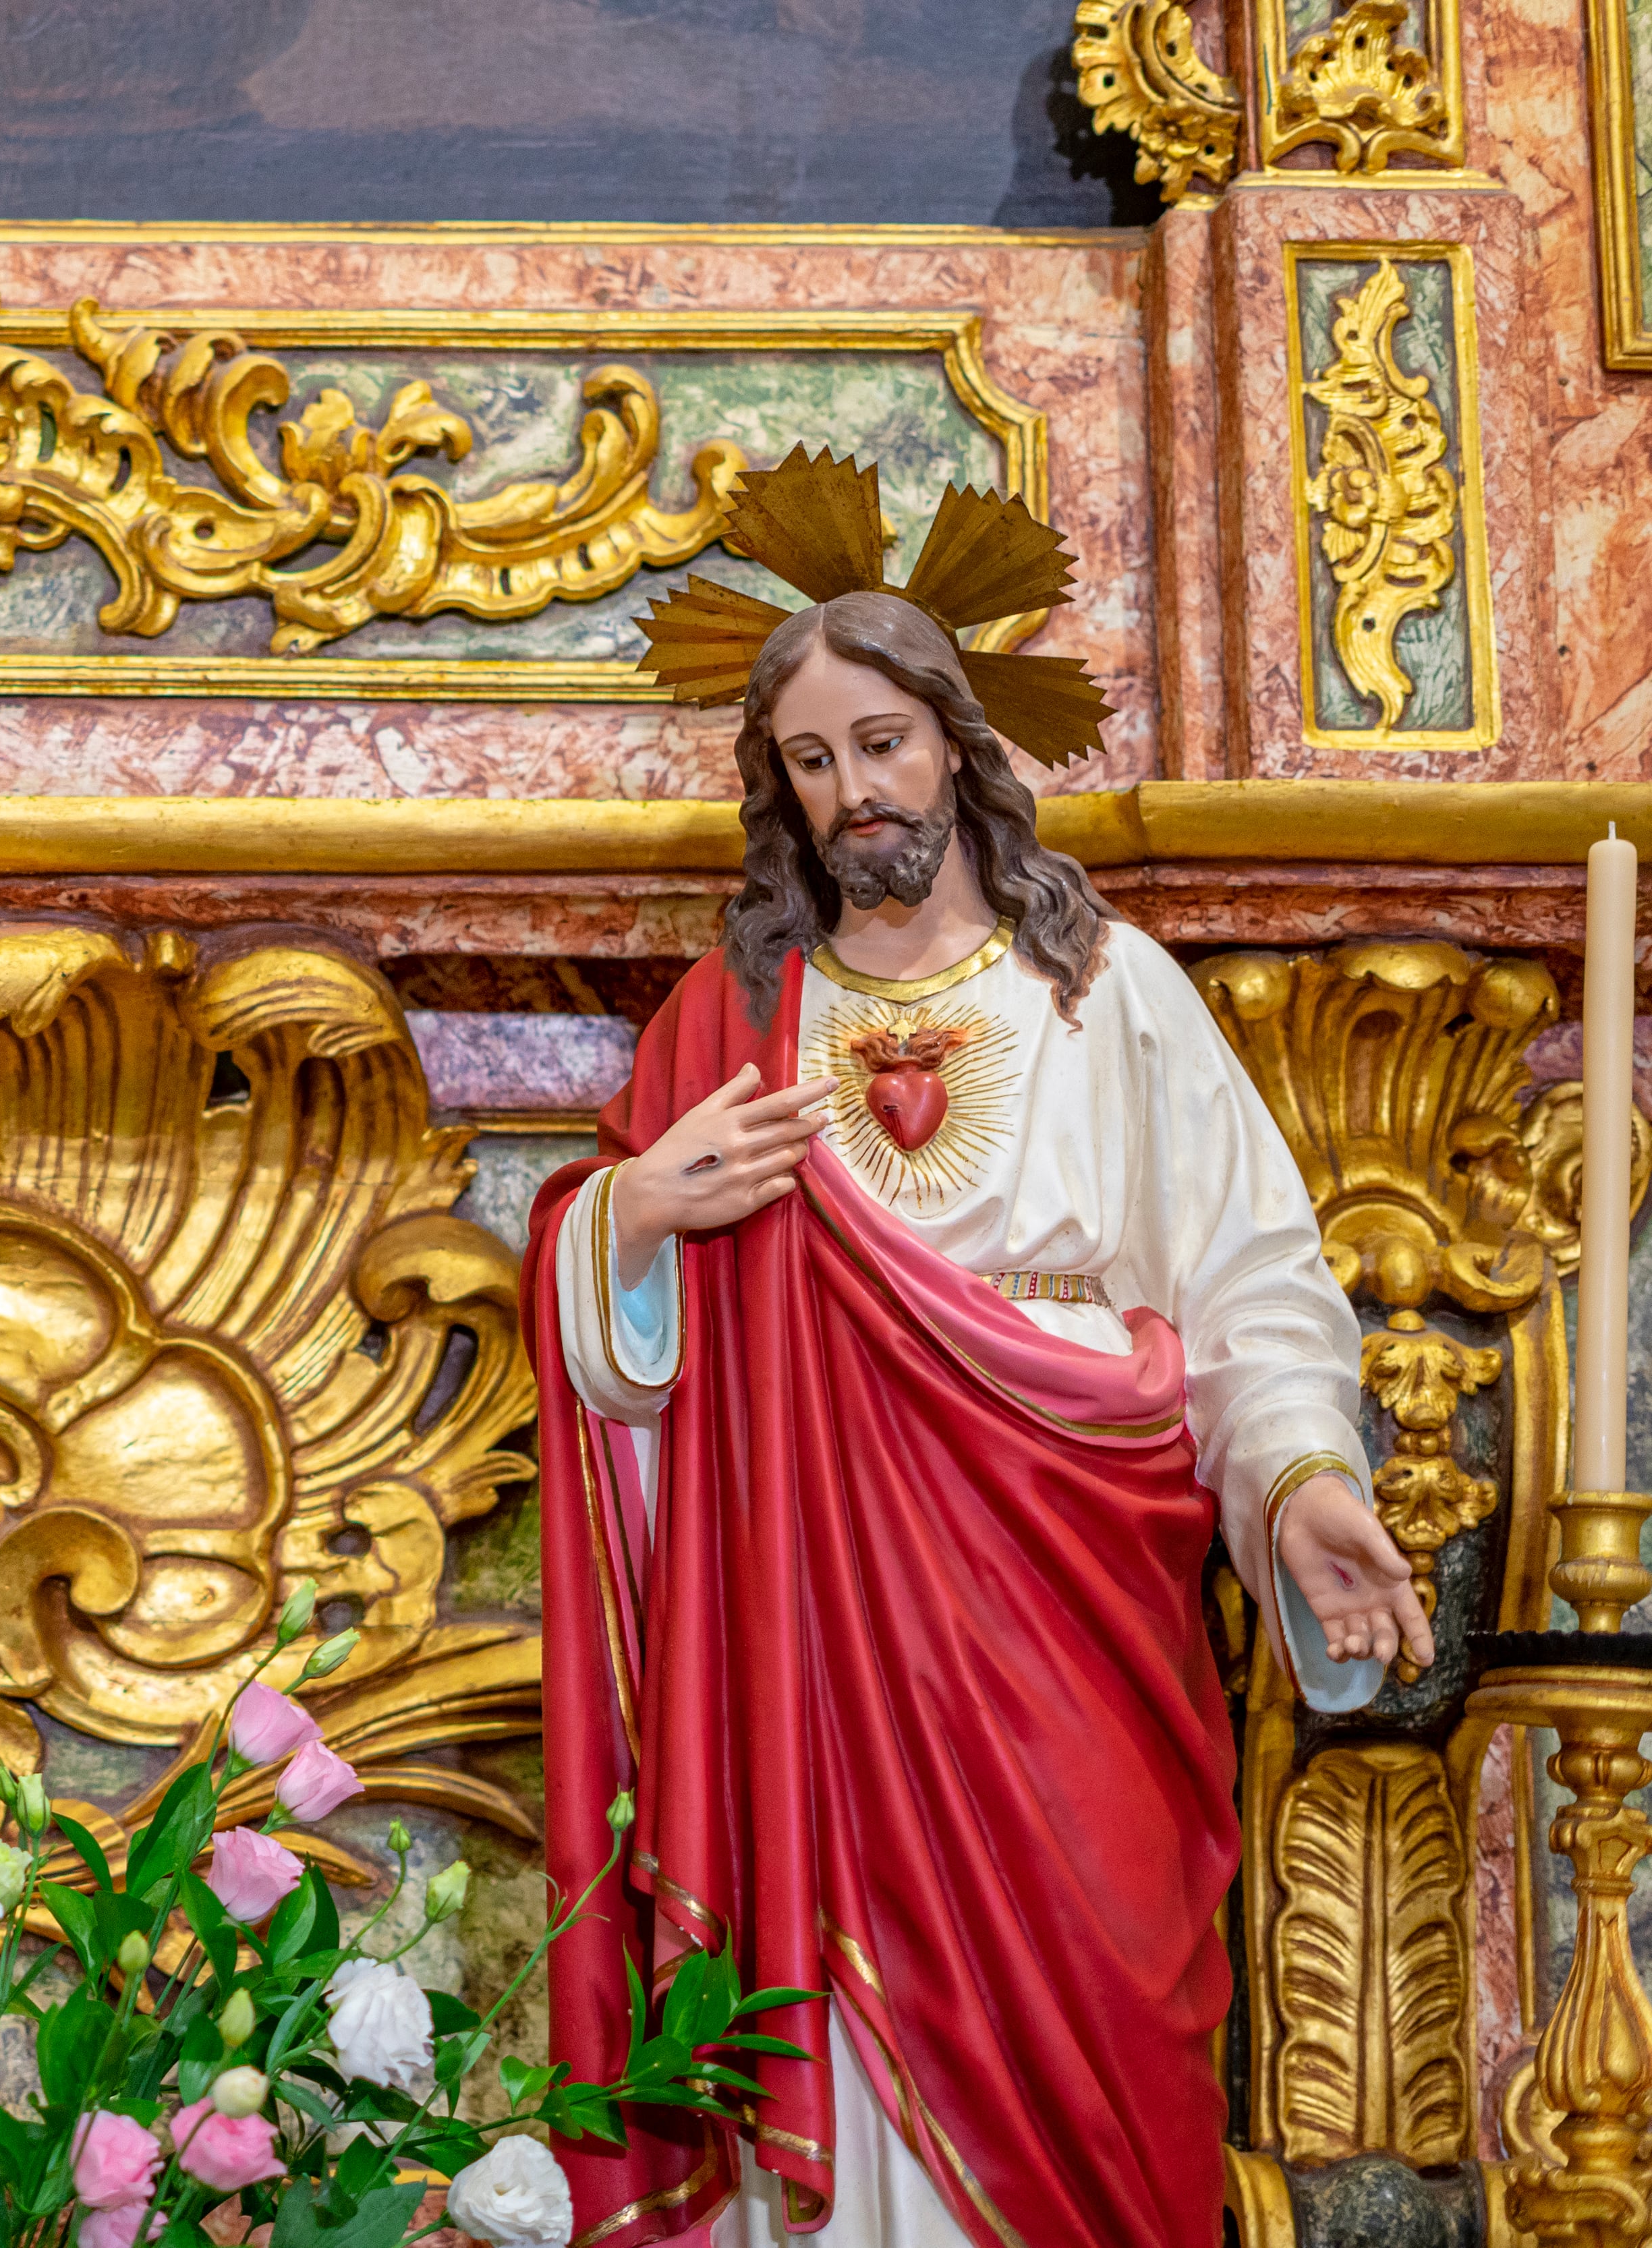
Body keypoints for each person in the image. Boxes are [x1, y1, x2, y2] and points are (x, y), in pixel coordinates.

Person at [532, 449, 1428, 2248]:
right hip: (809, 1658)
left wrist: (1308, 1482)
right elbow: (630, 1378)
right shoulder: (737, 1020)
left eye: (883, 742)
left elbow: (1249, 1290)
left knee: (1100, 2000)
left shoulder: (1104, 995)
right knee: (829, 2035)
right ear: (778, 795)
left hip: (1063, 1611)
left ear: (953, 743)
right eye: (812, 759)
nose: (856, 790)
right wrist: (629, 1224)